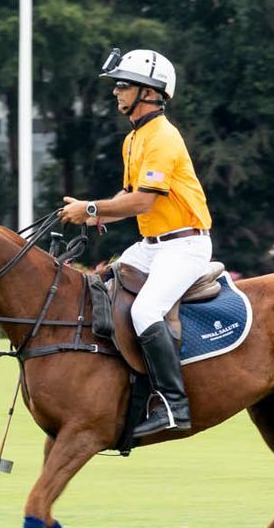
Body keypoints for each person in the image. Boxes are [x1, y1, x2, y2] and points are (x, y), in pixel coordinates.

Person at [59, 47, 212, 439]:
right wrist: (94, 212)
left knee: (145, 311)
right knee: (105, 289)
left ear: (149, 91)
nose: (116, 92)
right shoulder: (134, 140)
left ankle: (174, 406)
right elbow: (130, 196)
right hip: (151, 246)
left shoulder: (163, 137)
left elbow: (144, 201)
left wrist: (92, 209)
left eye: (123, 85)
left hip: (184, 246)